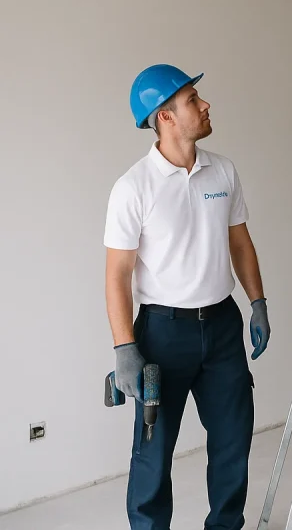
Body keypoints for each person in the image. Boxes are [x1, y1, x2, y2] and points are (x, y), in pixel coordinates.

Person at [104, 64, 271, 530]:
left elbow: (240, 240)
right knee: (153, 453)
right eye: (193, 99)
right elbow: (117, 274)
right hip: (163, 334)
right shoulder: (133, 188)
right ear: (165, 117)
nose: (205, 105)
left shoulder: (224, 170)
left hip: (222, 326)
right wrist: (125, 349)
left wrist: (257, 302)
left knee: (232, 441)